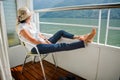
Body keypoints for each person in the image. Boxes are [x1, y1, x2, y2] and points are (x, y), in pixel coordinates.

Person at [16, 7, 96, 54]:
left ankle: (81, 37)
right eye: (29, 16)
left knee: (60, 32)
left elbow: (39, 34)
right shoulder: (21, 28)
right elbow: (33, 40)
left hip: (42, 43)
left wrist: (46, 40)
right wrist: (46, 43)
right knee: (61, 46)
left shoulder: (31, 23)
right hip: (35, 47)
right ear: (25, 17)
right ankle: (84, 42)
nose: (30, 17)